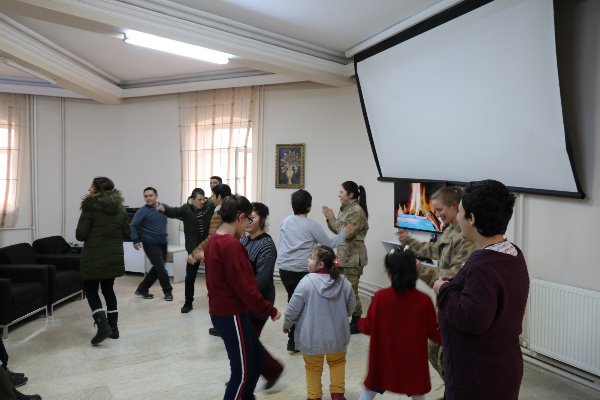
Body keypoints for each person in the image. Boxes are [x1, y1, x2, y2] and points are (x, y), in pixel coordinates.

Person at [433, 180, 529, 400]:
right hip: (501, 369)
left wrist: (443, 289)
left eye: (460, 211)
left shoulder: (483, 265)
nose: (457, 217)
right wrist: (455, 285)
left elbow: (470, 319)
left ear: (472, 219)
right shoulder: (512, 253)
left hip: (478, 378)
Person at [204, 195, 281, 400]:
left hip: (227, 313)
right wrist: (269, 309)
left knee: (257, 360)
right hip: (231, 314)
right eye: (247, 219)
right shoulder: (232, 245)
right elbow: (246, 288)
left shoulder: (214, 240)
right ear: (239, 216)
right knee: (242, 374)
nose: (247, 224)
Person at [396, 185, 475, 377]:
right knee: (434, 350)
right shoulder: (450, 230)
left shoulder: (466, 238)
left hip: (457, 304)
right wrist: (409, 241)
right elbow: (435, 250)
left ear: (455, 206)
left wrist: (420, 269)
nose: (437, 215)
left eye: (440, 210)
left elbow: (456, 276)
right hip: (444, 303)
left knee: (448, 359)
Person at [357, 248, 441, 400]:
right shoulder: (424, 300)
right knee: (417, 392)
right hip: (412, 360)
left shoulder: (380, 297)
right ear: (414, 271)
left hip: (384, 358)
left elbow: (368, 327)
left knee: (371, 389)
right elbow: (432, 332)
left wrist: (359, 323)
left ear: (389, 272)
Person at [277, 189, 353, 352]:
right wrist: (344, 233)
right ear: (309, 207)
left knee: (294, 299)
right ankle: (296, 340)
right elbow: (329, 244)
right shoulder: (311, 225)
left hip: (284, 269)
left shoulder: (285, 221)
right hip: (301, 270)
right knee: (303, 304)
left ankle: (294, 338)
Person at [283, 245, 356, 400]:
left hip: (312, 338)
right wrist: (342, 315)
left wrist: (287, 324)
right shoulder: (344, 283)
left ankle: (314, 396)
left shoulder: (306, 282)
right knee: (337, 363)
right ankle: (338, 395)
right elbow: (351, 306)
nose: (308, 260)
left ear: (321, 264)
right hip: (337, 336)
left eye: (311, 258)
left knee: (313, 367)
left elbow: (293, 309)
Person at [76, 177, 130, 344]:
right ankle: (114, 328)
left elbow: (80, 235)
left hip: (93, 256)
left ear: (97, 189)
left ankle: (102, 325)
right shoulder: (121, 208)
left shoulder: (90, 207)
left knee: (91, 290)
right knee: (108, 290)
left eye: (91, 186)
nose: (89, 189)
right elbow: (127, 233)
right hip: (112, 256)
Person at [240, 202, 284, 390]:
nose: (249, 221)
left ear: (263, 220)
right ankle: (268, 370)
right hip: (244, 299)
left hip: (259, 301)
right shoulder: (244, 239)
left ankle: (269, 371)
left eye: (253, 217)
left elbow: (262, 281)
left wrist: (243, 294)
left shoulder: (267, 245)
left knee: (248, 342)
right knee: (247, 341)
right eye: (247, 217)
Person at [322, 181, 369, 334]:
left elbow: (346, 234)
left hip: (353, 258)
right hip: (342, 256)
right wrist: (330, 219)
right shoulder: (346, 209)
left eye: (341, 192)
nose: (339, 195)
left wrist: (332, 218)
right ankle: (342, 317)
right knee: (339, 286)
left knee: (351, 290)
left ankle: (356, 321)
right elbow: (338, 231)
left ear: (351, 194)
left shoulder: (357, 211)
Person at [159, 188, 215, 313]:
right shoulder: (186, 209)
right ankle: (188, 302)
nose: (202, 202)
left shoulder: (209, 206)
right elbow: (173, 211)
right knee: (190, 277)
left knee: (212, 276)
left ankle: (214, 301)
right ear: (192, 199)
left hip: (209, 247)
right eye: (199, 199)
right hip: (194, 249)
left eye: (203, 199)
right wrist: (164, 207)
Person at [189, 183, 232, 336]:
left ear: (219, 196)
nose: (211, 198)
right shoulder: (232, 210)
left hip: (218, 258)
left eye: (213, 195)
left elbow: (212, 237)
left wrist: (196, 252)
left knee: (217, 293)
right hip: (227, 256)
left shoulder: (219, 213)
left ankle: (221, 327)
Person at [131, 187, 173, 301]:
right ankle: (168, 291)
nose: (148, 198)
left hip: (163, 242)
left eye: (150, 195)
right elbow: (133, 225)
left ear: (156, 195)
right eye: (146, 196)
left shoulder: (163, 207)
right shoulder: (142, 211)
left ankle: (142, 289)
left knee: (158, 268)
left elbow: (175, 213)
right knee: (160, 268)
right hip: (150, 243)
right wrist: (135, 240)